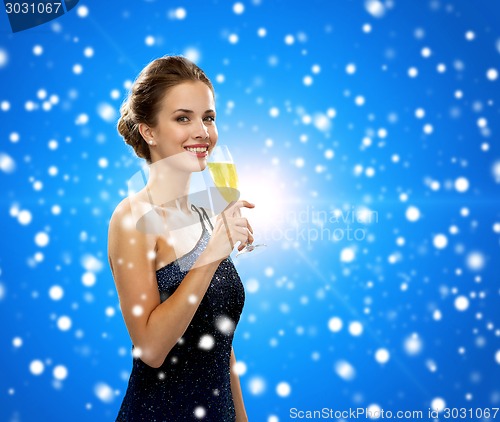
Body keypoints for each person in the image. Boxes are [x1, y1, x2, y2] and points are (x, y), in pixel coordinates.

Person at [108, 55, 253, 421]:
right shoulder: (132, 217)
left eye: (208, 117)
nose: (202, 131)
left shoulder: (206, 213)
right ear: (149, 131)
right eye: (183, 118)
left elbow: (220, 341)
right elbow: (151, 349)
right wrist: (211, 256)